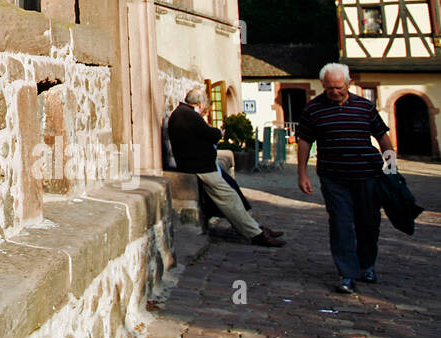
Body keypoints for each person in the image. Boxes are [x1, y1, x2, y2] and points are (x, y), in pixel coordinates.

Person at [297, 63, 396, 294]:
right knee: (341, 224)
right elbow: (304, 141)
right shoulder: (313, 109)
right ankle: (346, 274)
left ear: (348, 83)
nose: (335, 92)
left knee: (369, 223)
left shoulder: (365, 106)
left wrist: (391, 170)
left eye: (339, 87)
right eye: (330, 88)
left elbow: (383, 138)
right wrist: (302, 173)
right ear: (323, 85)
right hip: (334, 177)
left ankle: (367, 265)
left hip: (367, 175)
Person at [167, 87, 284, 247]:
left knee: (231, 196)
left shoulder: (183, 114)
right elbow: (211, 134)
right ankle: (256, 234)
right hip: (200, 167)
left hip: (200, 165)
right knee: (230, 198)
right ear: (201, 104)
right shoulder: (188, 115)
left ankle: (257, 229)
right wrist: (218, 133)